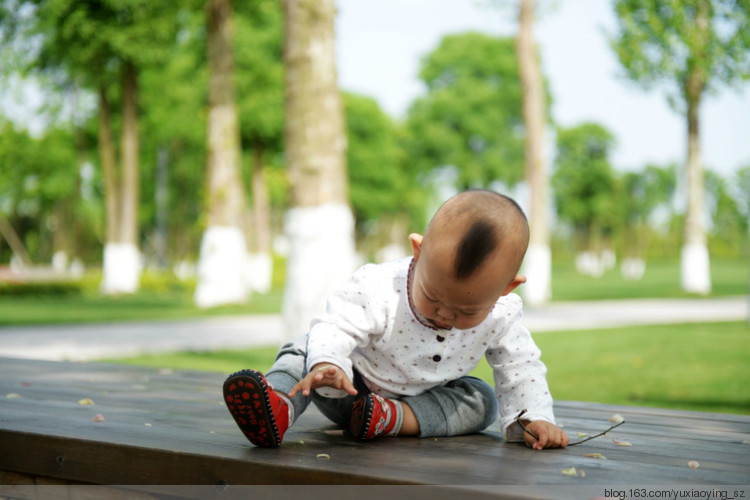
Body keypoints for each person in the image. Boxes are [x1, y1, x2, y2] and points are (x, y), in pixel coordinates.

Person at [223, 189, 569, 450]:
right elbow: (337, 325)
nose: (445, 314)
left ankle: (392, 419)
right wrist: (330, 362)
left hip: (422, 404)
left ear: (506, 289)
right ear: (417, 253)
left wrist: (534, 417)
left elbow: (521, 367)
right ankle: (278, 404)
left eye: (467, 311)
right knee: (305, 348)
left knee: (481, 399)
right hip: (346, 384)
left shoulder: (503, 313)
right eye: (433, 297)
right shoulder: (380, 286)